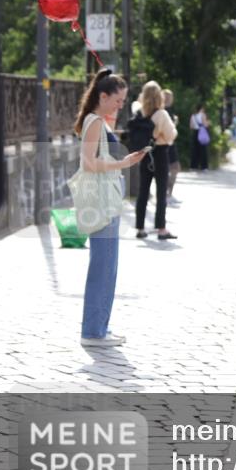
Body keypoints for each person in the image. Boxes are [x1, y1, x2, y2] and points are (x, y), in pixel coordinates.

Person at [74, 70, 147, 346]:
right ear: (102, 96)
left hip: (106, 202)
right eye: (117, 100)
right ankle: (93, 331)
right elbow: (88, 163)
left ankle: (99, 326)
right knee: (103, 266)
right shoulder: (94, 122)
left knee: (107, 266)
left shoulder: (97, 121)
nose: (121, 105)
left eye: (123, 101)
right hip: (101, 203)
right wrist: (123, 163)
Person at [135, 81, 178, 240]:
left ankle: (140, 228)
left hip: (145, 153)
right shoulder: (161, 114)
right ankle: (161, 228)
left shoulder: (139, 112)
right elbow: (170, 136)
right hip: (160, 153)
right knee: (161, 192)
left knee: (143, 192)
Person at [163, 89, 182, 204]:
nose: (170, 99)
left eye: (170, 97)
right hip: (166, 144)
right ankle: (166, 194)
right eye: (168, 97)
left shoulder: (167, 110)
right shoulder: (163, 111)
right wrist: (175, 123)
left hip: (169, 143)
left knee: (174, 168)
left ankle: (168, 193)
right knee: (172, 168)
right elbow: (169, 129)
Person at [189, 104, 210, 171]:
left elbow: (191, 126)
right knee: (203, 150)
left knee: (195, 150)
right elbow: (205, 124)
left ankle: (193, 166)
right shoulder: (203, 115)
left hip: (195, 133)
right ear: (201, 109)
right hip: (201, 133)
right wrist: (208, 123)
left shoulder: (193, 116)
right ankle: (204, 166)